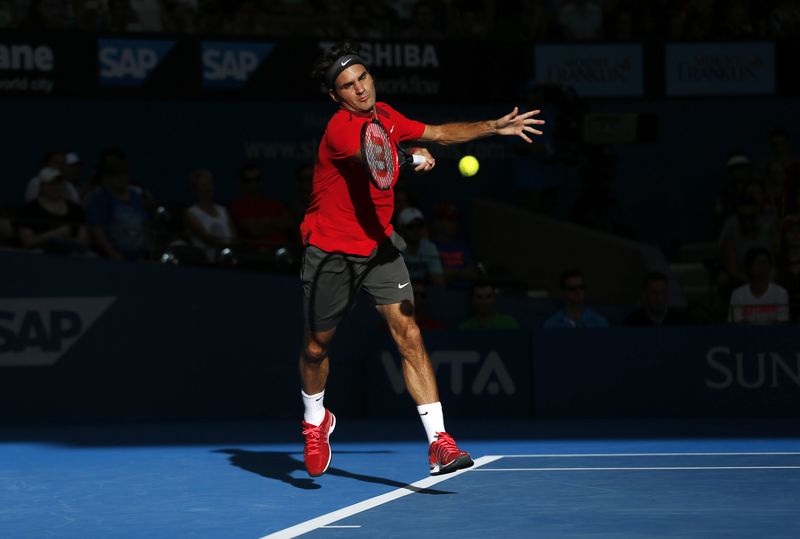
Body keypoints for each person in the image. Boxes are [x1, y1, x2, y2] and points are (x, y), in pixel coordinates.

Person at [298, 41, 545, 478]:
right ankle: (315, 418)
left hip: (380, 246)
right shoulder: (340, 129)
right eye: (347, 86)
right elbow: (378, 158)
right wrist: (412, 157)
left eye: (363, 78)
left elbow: (439, 132)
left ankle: (439, 443)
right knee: (317, 349)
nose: (360, 90)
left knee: (409, 333)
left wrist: (493, 126)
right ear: (336, 97)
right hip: (332, 251)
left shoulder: (388, 116)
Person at [86, 160, 150, 261]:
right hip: (111, 260)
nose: (121, 178)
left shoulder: (136, 197)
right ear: (106, 178)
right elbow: (97, 229)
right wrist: (112, 253)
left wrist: (148, 252)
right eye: (116, 174)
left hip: (139, 259)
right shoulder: (99, 198)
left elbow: (145, 225)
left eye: (124, 173)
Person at [17, 167, 89, 255]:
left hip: (72, 255)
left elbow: (83, 239)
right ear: (42, 186)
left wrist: (67, 243)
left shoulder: (76, 210)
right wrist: (55, 234)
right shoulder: (29, 209)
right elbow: (27, 242)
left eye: (59, 183)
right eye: (51, 184)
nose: (56, 187)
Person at [229, 162, 291, 251]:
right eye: (248, 180)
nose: (252, 183)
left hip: (281, 252)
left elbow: (288, 224)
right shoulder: (238, 205)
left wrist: (265, 222)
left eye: (256, 179)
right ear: (242, 182)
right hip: (256, 255)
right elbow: (254, 230)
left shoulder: (273, 203)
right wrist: (274, 224)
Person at [185, 169, 238, 263]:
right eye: (204, 185)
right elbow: (208, 238)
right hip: (206, 263)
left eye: (210, 184)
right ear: (195, 189)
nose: (208, 188)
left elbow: (234, 237)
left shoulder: (223, 210)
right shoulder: (191, 213)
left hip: (230, 259)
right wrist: (227, 247)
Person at [729, 247, 789, 324]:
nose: (762, 266)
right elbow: (736, 325)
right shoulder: (737, 294)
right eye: (758, 263)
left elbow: (782, 325)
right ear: (749, 267)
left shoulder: (781, 293)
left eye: (765, 263)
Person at [431, 203, 481, 290]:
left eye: (456, 220)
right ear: (438, 222)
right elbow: (434, 275)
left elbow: (473, 273)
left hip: (465, 294)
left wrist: (454, 273)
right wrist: (460, 273)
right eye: (449, 220)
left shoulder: (462, 246)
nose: (454, 224)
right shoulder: (430, 246)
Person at [397, 206, 445, 287]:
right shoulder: (393, 249)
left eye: (419, 226)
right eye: (410, 227)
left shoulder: (430, 247)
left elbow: (439, 282)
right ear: (402, 229)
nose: (416, 230)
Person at [543, 270, 609, 328]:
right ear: (563, 292)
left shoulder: (599, 322)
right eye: (572, 288)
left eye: (581, 287)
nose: (578, 291)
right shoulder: (552, 324)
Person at [625, 271, 689, 326]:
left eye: (662, 292)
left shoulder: (679, 320)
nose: (659, 298)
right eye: (654, 293)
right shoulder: (634, 321)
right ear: (645, 294)